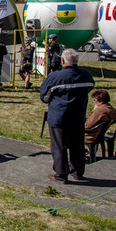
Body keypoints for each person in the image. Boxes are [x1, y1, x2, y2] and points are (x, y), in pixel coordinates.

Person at [39, 48, 95, 183]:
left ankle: (61, 174)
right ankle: (77, 172)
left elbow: (44, 97)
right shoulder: (86, 76)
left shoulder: (55, 77)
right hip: (78, 116)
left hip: (59, 117)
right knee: (77, 146)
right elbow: (90, 88)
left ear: (63, 61)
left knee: (59, 146)